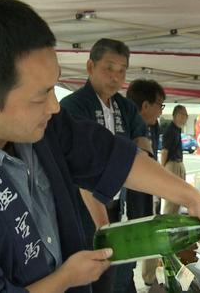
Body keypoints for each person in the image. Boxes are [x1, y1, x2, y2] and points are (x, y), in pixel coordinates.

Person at [0, 0, 200, 293]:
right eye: (40, 96)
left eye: (54, 87)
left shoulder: (42, 125)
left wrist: (194, 199)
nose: (54, 107)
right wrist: (65, 279)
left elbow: (109, 156)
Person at [60, 38, 152, 293]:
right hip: (81, 208)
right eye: (109, 68)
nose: (116, 76)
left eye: (122, 70)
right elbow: (80, 172)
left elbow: (141, 145)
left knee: (109, 275)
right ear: (90, 66)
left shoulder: (125, 107)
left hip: (115, 204)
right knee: (87, 275)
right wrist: (104, 227)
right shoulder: (73, 106)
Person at [126, 78, 166, 286]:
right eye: (160, 105)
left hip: (142, 200)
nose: (161, 111)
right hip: (126, 208)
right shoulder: (128, 128)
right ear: (145, 105)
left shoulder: (151, 126)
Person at [161, 105, 188, 214]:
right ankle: (168, 225)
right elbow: (164, 151)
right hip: (172, 165)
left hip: (178, 164)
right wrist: (162, 169)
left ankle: (173, 223)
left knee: (178, 199)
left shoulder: (177, 130)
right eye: (184, 115)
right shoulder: (170, 130)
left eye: (186, 115)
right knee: (172, 199)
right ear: (176, 115)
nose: (186, 117)